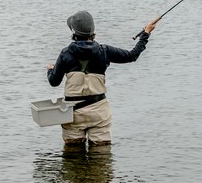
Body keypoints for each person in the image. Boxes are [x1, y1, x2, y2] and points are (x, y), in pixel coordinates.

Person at [47, 10, 158, 148]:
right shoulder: (104, 51)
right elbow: (131, 56)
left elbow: (54, 82)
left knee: (72, 157)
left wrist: (50, 70)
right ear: (93, 32)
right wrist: (146, 33)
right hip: (99, 112)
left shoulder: (65, 54)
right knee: (101, 158)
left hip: (73, 114)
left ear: (74, 33)